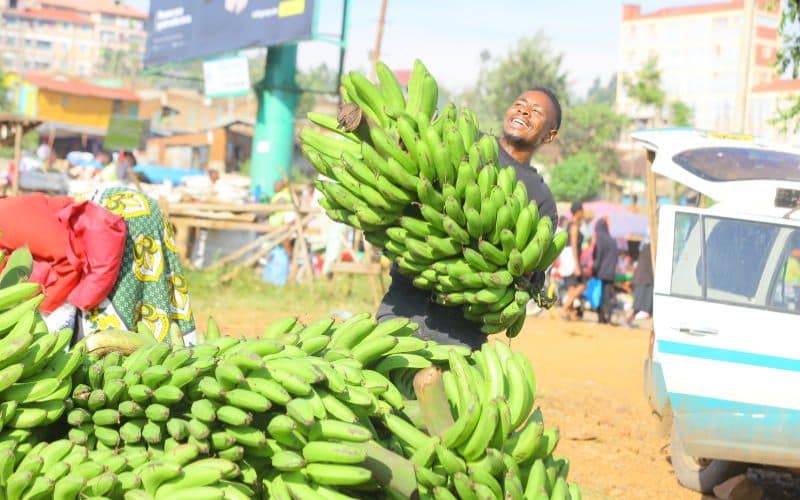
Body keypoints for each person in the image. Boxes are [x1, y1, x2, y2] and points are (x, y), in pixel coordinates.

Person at [376, 88, 562, 349]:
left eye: (536, 111)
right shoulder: (463, 142)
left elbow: (528, 271)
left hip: (460, 331)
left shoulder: (540, 199)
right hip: (402, 304)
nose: (524, 111)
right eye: (520, 103)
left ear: (550, 135)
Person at [560, 202, 587, 321]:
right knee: (582, 285)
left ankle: (570, 312)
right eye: (582, 211)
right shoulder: (574, 226)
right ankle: (564, 309)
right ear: (578, 212)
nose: (583, 213)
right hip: (572, 258)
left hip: (567, 258)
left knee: (572, 287)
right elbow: (574, 245)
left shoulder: (570, 225)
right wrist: (577, 265)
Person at [592, 218, 619, 324]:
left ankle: (601, 317)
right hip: (610, 273)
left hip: (600, 272)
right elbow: (616, 258)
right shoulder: (613, 241)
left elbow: (598, 256)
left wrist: (595, 269)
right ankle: (608, 316)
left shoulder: (600, 239)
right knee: (606, 295)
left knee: (598, 295)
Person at [625, 240, 653, 327]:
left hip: (641, 279)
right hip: (645, 280)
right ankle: (626, 321)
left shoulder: (646, 247)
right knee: (636, 306)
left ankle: (627, 321)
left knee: (636, 305)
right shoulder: (651, 248)